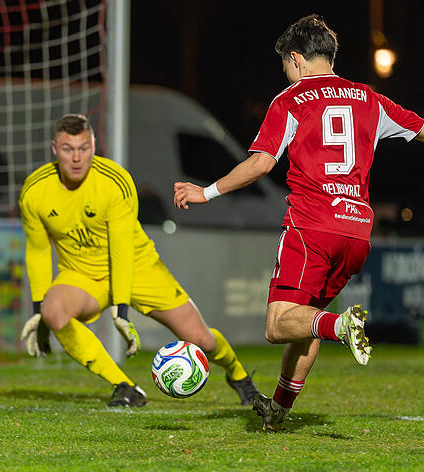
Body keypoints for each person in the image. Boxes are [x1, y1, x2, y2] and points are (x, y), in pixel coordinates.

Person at [174, 14, 424, 430]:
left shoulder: (289, 100)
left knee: (277, 325)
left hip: (312, 227)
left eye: (285, 66)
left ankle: (341, 325)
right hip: (357, 233)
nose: (286, 75)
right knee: (304, 322)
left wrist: (207, 192)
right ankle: (280, 410)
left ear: (296, 59)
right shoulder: (370, 99)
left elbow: (260, 164)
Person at [18, 113, 259, 407]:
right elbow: (39, 250)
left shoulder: (114, 182)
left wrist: (121, 308)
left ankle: (239, 376)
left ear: (94, 145)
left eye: (84, 148)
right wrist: (38, 308)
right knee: (54, 310)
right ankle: (124, 387)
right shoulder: (35, 191)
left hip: (137, 268)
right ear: (55, 149)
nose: (77, 157)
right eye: (68, 149)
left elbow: (121, 249)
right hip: (83, 277)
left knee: (202, 341)